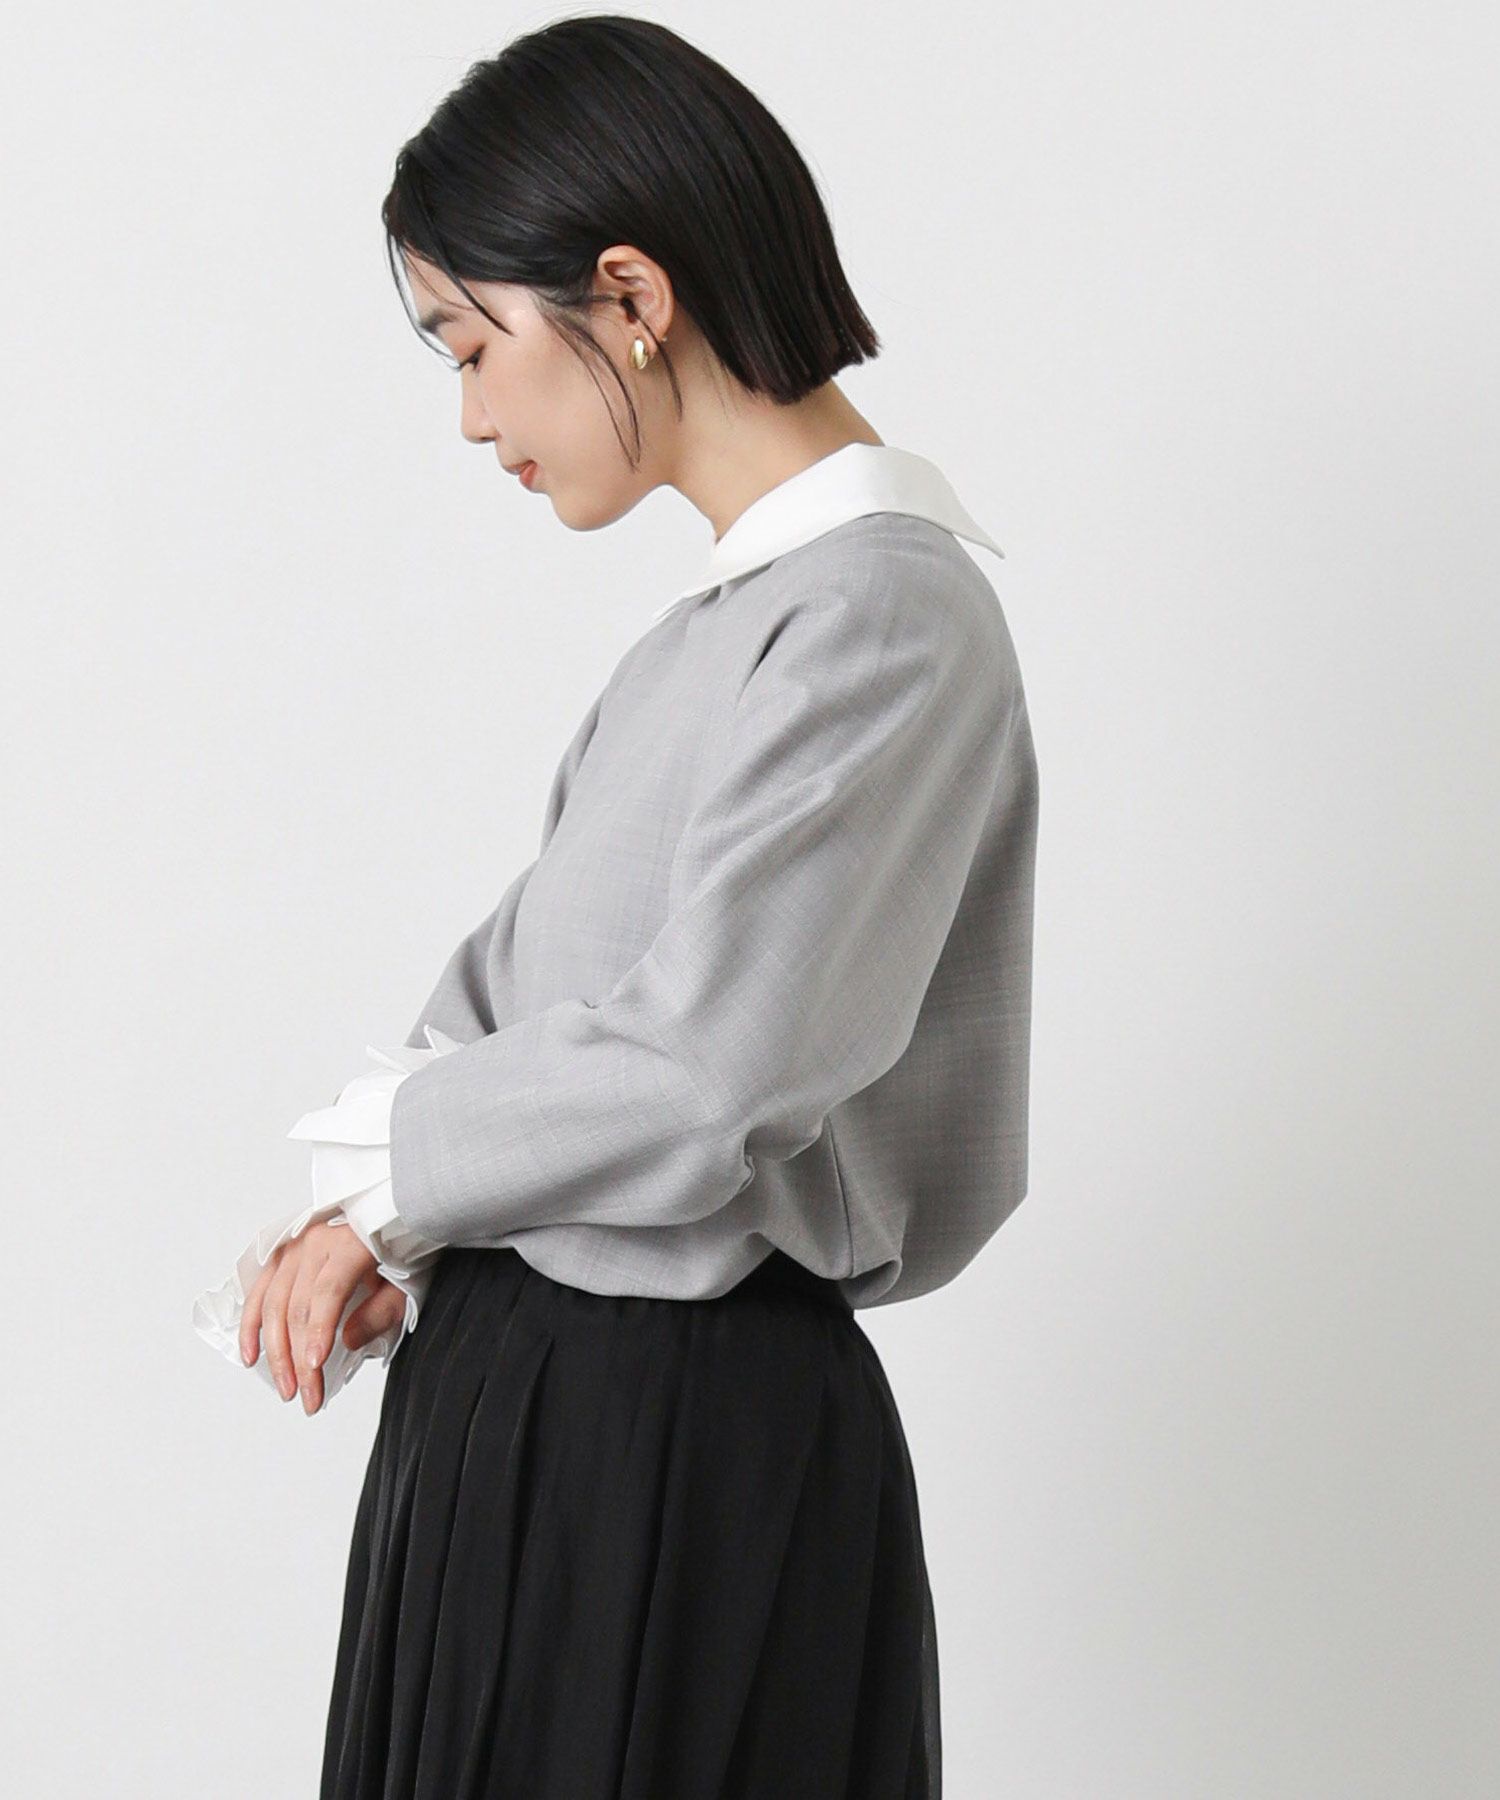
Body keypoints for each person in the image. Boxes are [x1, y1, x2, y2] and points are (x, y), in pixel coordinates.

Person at [196, 15, 1039, 1797]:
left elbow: (707, 1065)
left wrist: (392, 1182)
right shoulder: (703, 642)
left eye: (473, 343)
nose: (469, 413)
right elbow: (504, 1002)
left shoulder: (887, 615)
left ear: (632, 295)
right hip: (533, 1427)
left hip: (679, 1448)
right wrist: (385, 1227)